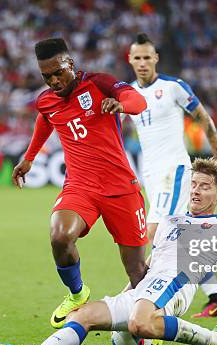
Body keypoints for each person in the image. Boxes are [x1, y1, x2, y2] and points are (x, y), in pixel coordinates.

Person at [0, 158, 217, 345]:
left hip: (175, 287)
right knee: (84, 315)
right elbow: (149, 264)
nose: (196, 191)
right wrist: (126, 294)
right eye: (194, 184)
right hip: (147, 288)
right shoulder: (169, 221)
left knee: (138, 323)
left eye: (205, 187)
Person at [12, 38, 150, 329]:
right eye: (46, 76)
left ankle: (152, 321)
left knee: (136, 270)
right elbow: (46, 119)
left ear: (70, 64)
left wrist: (121, 104)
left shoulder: (100, 84)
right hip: (80, 187)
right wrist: (29, 157)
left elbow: (139, 101)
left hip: (120, 188)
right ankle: (77, 293)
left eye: (58, 72)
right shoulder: (46, 99)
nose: (53, 80)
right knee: (59, 237)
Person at [126, 33, 217, 318]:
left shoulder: (173, 87)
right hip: (151, 175)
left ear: (156, 58)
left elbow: (204, 119)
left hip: (175, 171)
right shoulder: (127, 94)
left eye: (148, 57)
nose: (143, 62)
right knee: (179, 236)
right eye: (138, 57)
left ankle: (142, 298)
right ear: (130, 60)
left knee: (155, 234)